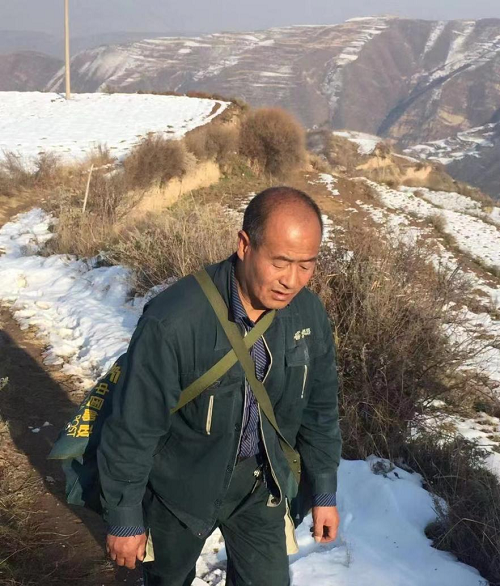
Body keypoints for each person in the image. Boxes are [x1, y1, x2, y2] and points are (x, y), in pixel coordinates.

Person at [97, 186, 342, 585]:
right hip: (179, 486)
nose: (291, 280)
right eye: (280, 262)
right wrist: (125, 516)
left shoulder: (307, 314)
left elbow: (319, 409)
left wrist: (324, 492)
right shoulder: (175, 320)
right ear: (245, 245)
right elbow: (135, 424)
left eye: (306, 265)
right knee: (167, 579)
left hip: (260, 483)